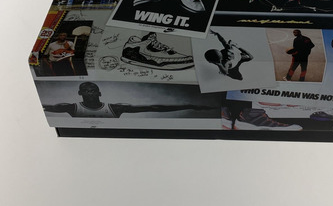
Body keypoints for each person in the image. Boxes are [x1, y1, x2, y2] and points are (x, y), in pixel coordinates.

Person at [42, 82, 214, 118]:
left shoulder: (115, 108)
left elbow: (153, 107)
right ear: (80, 93)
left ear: (99, 93)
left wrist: (189, 105)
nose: (89, 93)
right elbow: (43, 107)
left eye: (92, 90)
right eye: (86, 91)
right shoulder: (70, 107)